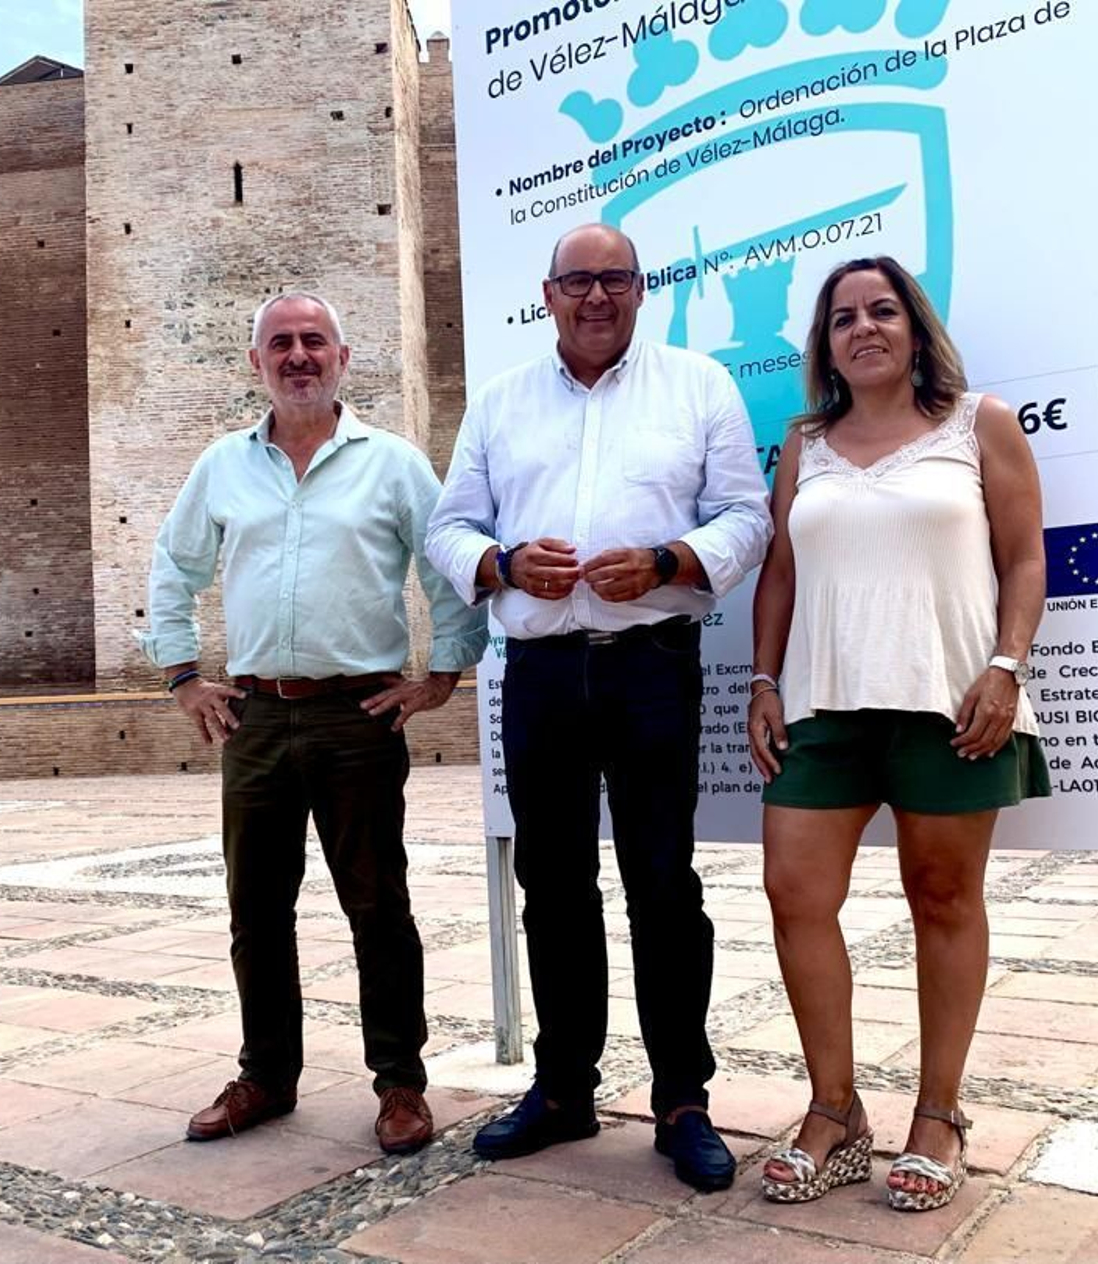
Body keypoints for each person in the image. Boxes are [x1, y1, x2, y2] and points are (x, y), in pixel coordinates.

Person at [426, 223, 772, 1191]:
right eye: (576, 281)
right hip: (539, 673)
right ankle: (563, 1089)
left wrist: (668, 560)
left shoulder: (697, 385)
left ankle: (682, 1099)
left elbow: (747, 516)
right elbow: (448, 529)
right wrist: (500, 563)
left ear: (640, 289)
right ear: (547, 295)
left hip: (651, 666)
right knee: (552, 884)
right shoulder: (500, 402)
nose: (595, 297)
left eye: (613, 279)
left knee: (663, 883)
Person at [141, 292, 487, 1155]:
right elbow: (174, 566)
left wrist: (444, 673)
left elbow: (445, 564)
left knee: (378, 904)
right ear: (256, 362)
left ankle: (400, 1082)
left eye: (313, 341)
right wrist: (183, 677)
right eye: (280, 344)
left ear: (342, 357)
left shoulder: (393, 464)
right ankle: (266, 1074)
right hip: (255, 717)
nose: (298, 356)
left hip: (356, 717)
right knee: (256, 908)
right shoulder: (223, 466)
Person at [749, 256, 1048, 1211]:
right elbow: (782, 572)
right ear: (825, 344)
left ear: (916, 328)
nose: (863, 328)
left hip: (949, 703)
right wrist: (763, 680)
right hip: (822, 708)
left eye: (882, 310)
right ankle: (834, 1112)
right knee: (795, 895)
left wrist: (1006, 666)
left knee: (944, 901)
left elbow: (1025, 557)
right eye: (843, 318)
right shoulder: (805, 442)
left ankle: (939, 1116)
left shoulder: (978, 423)